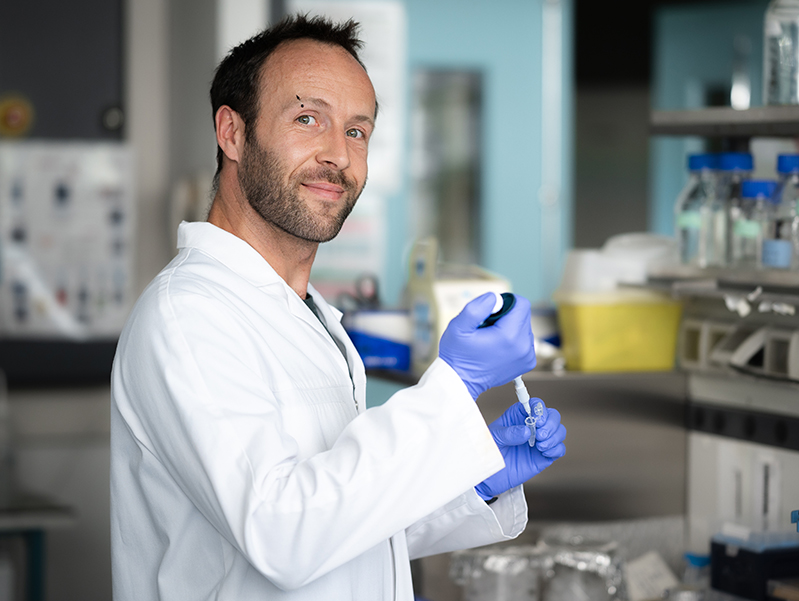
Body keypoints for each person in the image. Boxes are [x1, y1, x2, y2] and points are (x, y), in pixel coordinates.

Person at [110, 15, 566, 601]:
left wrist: (472, 480)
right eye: (307, 119)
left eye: (358, 131)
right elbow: (282, 535)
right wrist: (454, 390)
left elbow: (343, 526)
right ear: (232, 132)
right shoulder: (188, 317)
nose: (338, 156)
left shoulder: (308, 316)